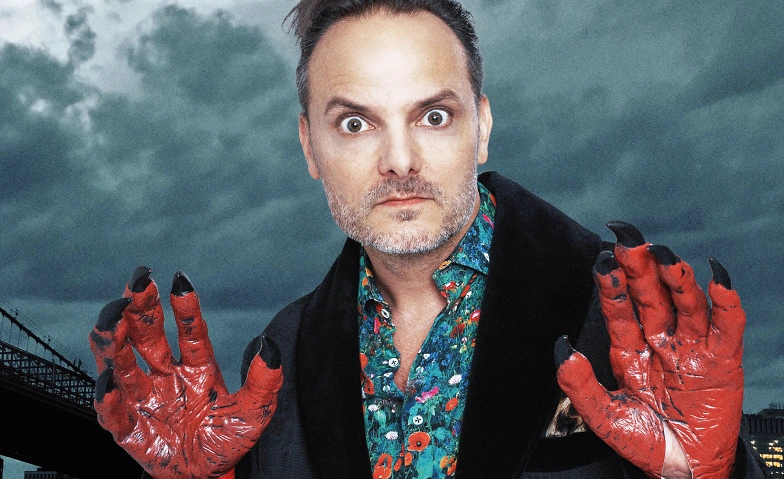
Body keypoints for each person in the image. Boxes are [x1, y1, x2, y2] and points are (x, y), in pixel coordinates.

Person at [88, 1, 766, 478]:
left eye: (433, 116)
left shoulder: (629, 321)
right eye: (355, 124)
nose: (400, 160)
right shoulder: (280, 353)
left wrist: (713, 475)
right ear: (310, 147)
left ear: (482, 127)